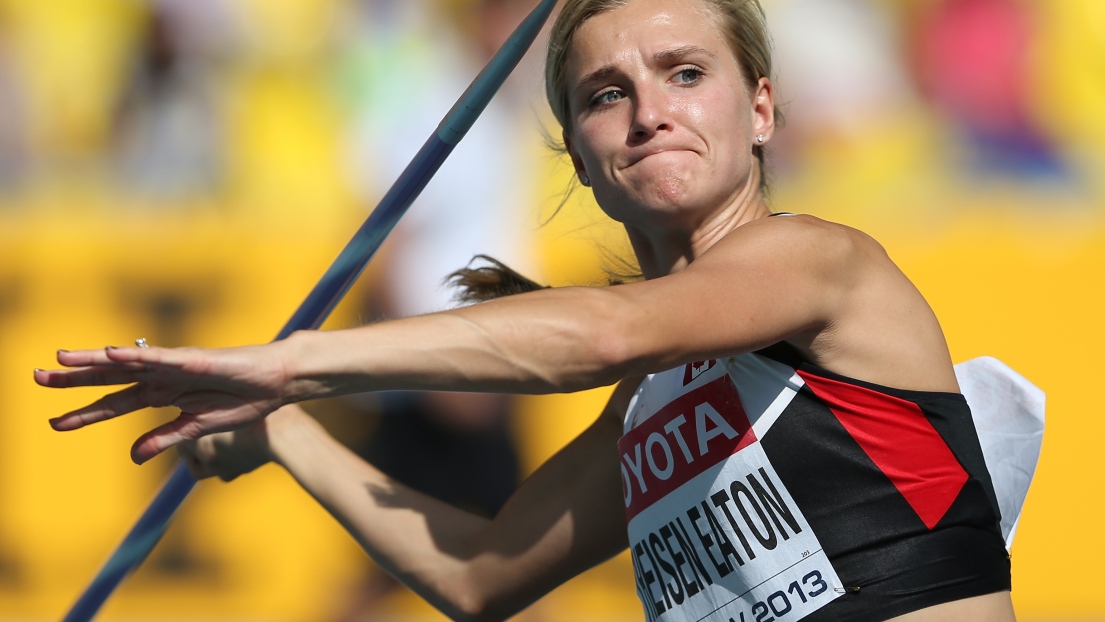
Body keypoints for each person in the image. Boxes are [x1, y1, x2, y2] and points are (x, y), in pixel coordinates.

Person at [36, 0, 1017, 620]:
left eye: (685, 72)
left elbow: (599, 332)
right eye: (605, 93)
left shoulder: (820, 261)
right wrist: (287, 433)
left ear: (759, 108)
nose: (649, 110)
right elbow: (480, 575)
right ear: (579, 156)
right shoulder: (650, 401)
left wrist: (291, 363)